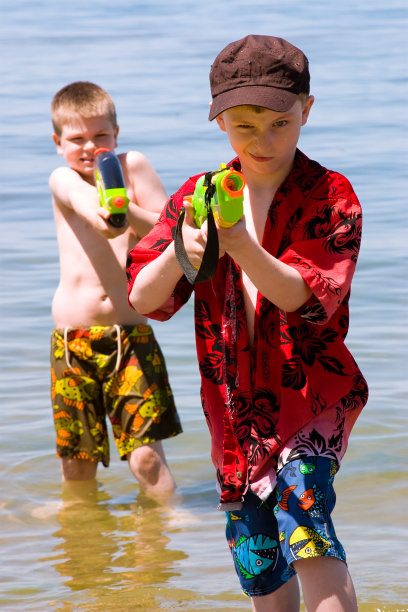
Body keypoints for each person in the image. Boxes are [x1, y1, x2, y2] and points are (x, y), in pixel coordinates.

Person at [127, 35, 368, 611]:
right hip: (233, 410)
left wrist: (238, 244)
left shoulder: (331, 197)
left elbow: (306, 297)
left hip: (310, 396)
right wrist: (181, 252)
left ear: (307, 111)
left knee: (307, 527)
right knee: (259, 565)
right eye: (244, 125)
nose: (263, 141)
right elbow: (143, 297)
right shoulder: (198, 196)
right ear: (220, 123)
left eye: (279, 123)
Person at [49, 81, 182, 501]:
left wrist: (125, 207)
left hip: (130, 336)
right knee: (77, 463)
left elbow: (171, 231)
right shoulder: (61, 178)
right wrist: (111, 213)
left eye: (100, 135)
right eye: (77, 139)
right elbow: (94, 211)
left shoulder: (133, 165)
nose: (89, 147)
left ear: (116, 134)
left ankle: (169, 530)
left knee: (146, 458)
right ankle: (82, 538)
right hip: (72, 342)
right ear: (58, 143)